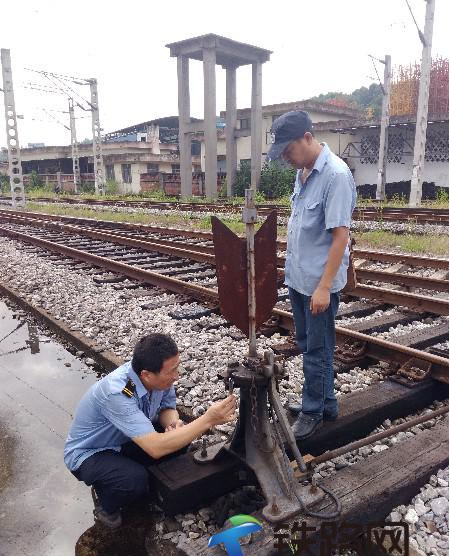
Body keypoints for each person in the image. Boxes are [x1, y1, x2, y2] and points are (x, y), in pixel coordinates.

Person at [64, 333, 236, 528]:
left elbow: (166, 408)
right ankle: (106, 502)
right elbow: (156, 448)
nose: (176, 376)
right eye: (172, 371)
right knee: (133, 480)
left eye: (177, 367)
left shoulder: (159, 380)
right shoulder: (118, 392)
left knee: (180, 438)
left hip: (125, 440)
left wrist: (172, 424)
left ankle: (139, 476)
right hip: (91, 452)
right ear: (146, 374)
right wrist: (208, 419)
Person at [268, 110, 356, 441]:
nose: (287, 159)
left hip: (318, 284)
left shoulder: (335, 175)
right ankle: (327, 403)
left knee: (317, 349)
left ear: (307, 138)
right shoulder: (304, 172)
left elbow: (339, 238)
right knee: (307, 343)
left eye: (289, 151)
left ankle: (313, 412)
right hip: (299, 279)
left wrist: (323, 287)